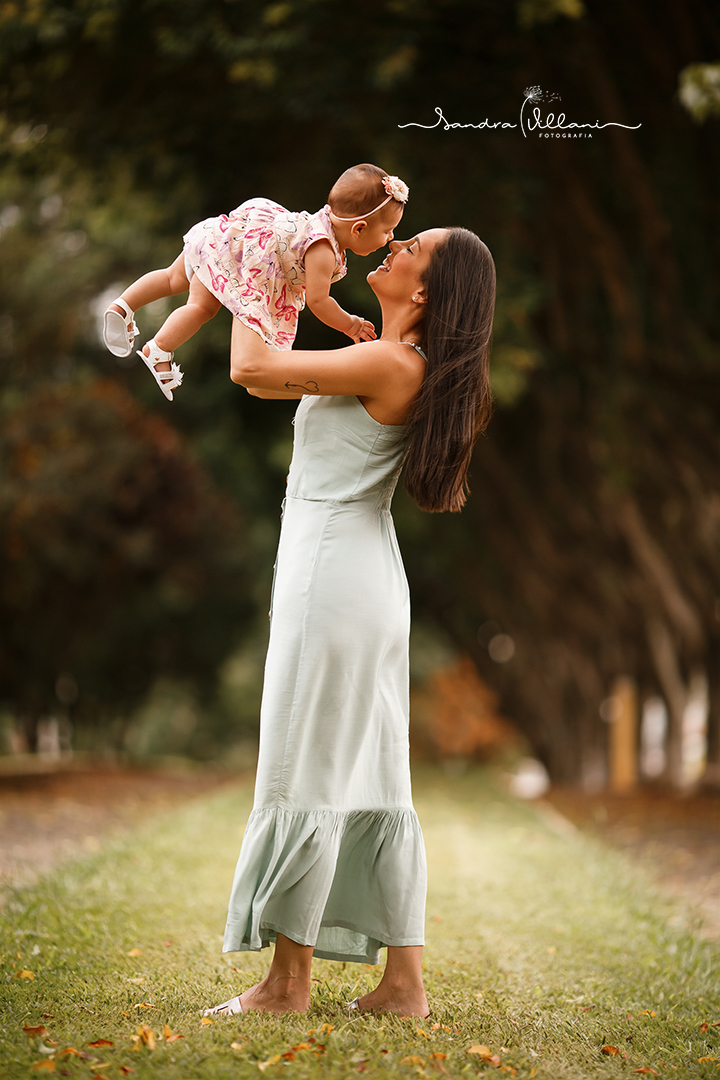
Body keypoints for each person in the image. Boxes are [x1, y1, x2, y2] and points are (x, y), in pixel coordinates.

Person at [204, 226, 496, 1018]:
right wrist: (292, 289)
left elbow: (247, 365)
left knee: (305, 766)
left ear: (426, 292)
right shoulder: (387, 355)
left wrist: (247, 259)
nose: (391, 245)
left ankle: (286, 986)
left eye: (412, 249)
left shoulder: (390, 362)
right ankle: (403, 986)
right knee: (371, 776)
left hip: (333, 576)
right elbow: (268, 383)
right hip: (360, 572)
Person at [101, 164, 408, 400]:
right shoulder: (323, 249)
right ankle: (159, 349)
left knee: (172, 277)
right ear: (358, 228)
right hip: (245, 259)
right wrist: (349, 324)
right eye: (388, 231)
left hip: (228, 236)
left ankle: (123, 306)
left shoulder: (318, 224)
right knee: (200, 308)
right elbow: (319, 301)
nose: (391, 238)